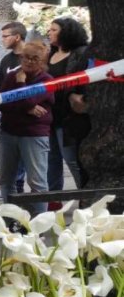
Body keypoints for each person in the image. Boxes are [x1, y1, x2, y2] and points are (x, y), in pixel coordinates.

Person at [0, 42, 54, 216]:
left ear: (42, 61)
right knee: (6, 180)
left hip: (33, 135)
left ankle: (39, 223)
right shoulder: (11, 76)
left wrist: (21, 84)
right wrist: (27, 109)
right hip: (8, 132)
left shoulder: (46, 80)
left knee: (37, 182)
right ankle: (10, 219)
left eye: (35, 58)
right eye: (26, 57)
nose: (29, 61)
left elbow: (27, 100)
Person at [46, 17, 91, 190]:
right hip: (50, 115)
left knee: (72, 159)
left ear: (67, 32)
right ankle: (54, 199)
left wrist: (77, 97)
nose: (49, 32)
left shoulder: (81, 53)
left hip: (69, 117)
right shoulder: (50, 54)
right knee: (52, 160)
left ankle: (85, 197)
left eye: (54, 30)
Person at [0, 21, 29, 198]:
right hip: (9, 119)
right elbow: (1, 90)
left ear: (17, 37)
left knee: (28, 172)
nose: (2, 39)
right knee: (9, 173)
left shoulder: (31, 58)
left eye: (5, 36)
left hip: (29, 121)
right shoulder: (6, 60)